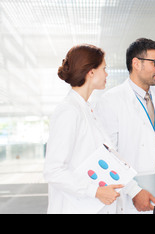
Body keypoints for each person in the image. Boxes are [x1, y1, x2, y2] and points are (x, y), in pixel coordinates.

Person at [94, 38, 155, 214]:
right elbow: (109, 154)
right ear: (136, 63)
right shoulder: (111, 101)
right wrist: (134, 191)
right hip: (133, 194)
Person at [44, 44, 123, 214]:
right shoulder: (69, 111)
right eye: (104, 68)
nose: (107, 73)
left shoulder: (86, 109)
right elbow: (53, 171)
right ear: (91, 72)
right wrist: (96, 191)